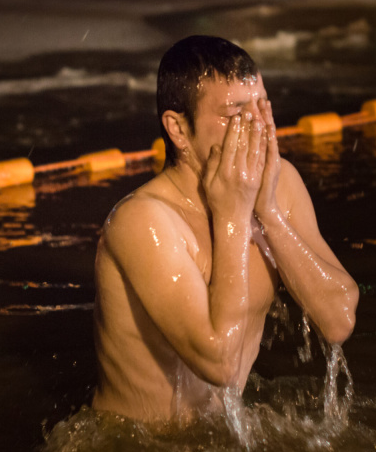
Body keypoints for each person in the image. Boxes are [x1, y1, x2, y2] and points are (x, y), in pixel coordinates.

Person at [92, 35, 358, 422]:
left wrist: (267, 211)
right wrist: (233, 217)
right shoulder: (143, 221)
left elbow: (339, 319)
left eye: (261, 106)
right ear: (178, 129)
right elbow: (221, 363)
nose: (257, 126)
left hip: (216, 439)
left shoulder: (278, 187)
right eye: (235, 113)